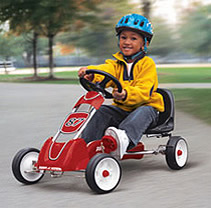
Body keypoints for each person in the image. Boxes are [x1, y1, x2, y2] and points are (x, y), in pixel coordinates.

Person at [78, 13, 164, 159]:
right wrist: (93, 75)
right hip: (123, 110)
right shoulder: (116, 64)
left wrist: (126, 94)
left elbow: (144, 91)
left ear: (145, 43)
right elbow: (106, 70)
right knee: (103, 110)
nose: (127, 42)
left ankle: (122, 140)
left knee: (143, 111)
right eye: (123, 37)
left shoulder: (147, 64)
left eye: (133, 38)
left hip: (147, 109)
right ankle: (84, 145)